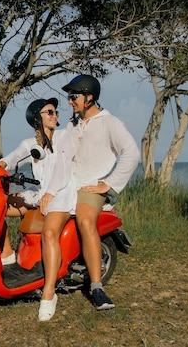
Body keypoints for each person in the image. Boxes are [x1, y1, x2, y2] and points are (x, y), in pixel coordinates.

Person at [0, 97, 76, 321]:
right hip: (40, 196)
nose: (55, 116)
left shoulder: (64, 136)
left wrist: (50, 193)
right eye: (49, 112)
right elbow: (16, 156)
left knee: (49, 233)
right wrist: (1, 164)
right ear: (38, 118)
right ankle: (7, 255)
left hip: (62, 195)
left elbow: (63, 171)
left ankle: (48, 294)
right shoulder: (31, 144)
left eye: (55, 112)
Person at [62, 74, 140, 311]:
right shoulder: (72, 124)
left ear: (89, 98)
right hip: (68, 184)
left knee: (86, 221)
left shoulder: (110, 123)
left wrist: (108, 184)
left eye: (73, 96)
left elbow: (132, 154)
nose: (69, 101)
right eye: (69, 96)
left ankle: (97, 287)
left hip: (90, 186)